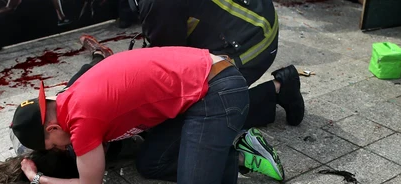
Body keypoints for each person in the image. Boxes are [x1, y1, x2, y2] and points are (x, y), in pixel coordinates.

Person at [0, 46, 340, 184]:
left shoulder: (81, 119)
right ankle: (237, 156)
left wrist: (37, 178)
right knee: (150, 163)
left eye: (53, 145)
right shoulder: (71, 95)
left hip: (215, 94)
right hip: (205, 83)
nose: (61, 148)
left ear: (53, 126)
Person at [126, 0, 304, 129]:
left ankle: (277, 90)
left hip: (253, 38)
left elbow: (168, 66)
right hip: (243, 19)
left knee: (188, 125)